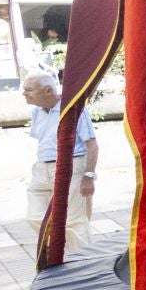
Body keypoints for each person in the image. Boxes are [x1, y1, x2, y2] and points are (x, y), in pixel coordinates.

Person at [23, 72, 97, 254]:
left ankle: (84, 260)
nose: (24, 94)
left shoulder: (73, 109)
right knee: (35, 216)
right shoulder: (37, 112)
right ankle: (66, 250)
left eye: (29, 90)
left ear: (48, 91)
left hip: (71, 166)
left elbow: (92, 145)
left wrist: (88, 176)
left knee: (75, 220)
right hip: (42, 168)